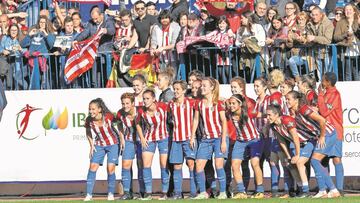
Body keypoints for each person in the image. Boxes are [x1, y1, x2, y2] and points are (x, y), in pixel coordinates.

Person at [286, 91, 341, 198]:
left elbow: (322, 120)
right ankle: (322, 191)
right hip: (315, 137)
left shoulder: (303, 109)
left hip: (328, 134)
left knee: (315, 161)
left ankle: (333, 190)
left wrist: (322, 136)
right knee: (301, 161)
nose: (286, 101)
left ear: (296, 100)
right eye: (286, 99)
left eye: (288, 99)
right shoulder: (296, 111)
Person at [190, 77, 228, 199]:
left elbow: (224, 122)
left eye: (204, 85)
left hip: (218, 138)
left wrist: (223, 141)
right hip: (205, 139)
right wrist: (192, 136)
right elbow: (196, 120)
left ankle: (222, 192)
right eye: (202, 86)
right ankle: (203, 192)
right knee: (199, 165)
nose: (202, 88)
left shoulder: (218, 103)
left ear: (212, 87)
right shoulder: (199, 103)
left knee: (219, 165)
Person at [266, 104, 313, 198]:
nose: (267, 117)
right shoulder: (273, 125)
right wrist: (288, 155)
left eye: (269, 115)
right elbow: (281, 140)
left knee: (300, 162)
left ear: (276, 114)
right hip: (299, 145)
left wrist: (297, 154)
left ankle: (307, 191)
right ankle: (301, 189)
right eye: (266, 115)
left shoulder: (286, 120)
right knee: (290, 165)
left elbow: (295, 138)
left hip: (308, 142)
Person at [228, 94, 264, 199]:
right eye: (230, 103)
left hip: (254, 140)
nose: (231, 105)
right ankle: (241, 191)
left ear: (240, 104)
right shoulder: (229, 113)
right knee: (234, 165)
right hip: (240, 141)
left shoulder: (249, 112)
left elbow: (264, 115)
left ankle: (260, 191)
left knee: (255, 163)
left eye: (233, 103)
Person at [136, 89, 170, 200]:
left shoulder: (163, 106)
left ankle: (164, 193)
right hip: (149, 138)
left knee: (163, 164)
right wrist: (142, 137)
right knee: (146, 165)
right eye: (144, 99)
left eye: (147, 98)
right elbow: (137, 124)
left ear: (154, 99)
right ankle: (148, 193)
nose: (145, 101)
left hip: (163, 138)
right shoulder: (141, 111)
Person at [84, 98, 120, 201]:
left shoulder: (108, 117)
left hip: (113, 144)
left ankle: (110, 194)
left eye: (93, 109)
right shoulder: (89, 120)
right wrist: (91, 146)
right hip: (99, 145)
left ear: (99, 109)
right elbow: (88, 132)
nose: (91, 111)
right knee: (92, 167)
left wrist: (121, 139)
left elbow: (120, 123)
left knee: (110, 169)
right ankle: (89, 195)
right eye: (90, 109)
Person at [168, 80, 197, 199]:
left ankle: (194, 192)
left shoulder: (191, 103)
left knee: (191, 164)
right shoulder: (170, 104)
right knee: (177, 166)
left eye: (178, 89)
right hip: (176, 139)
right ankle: (178, 193)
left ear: (184, 90)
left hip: (188, 138)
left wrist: (192, 136)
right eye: (174, 89)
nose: (175, 91)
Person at [317, 72, 344, 194]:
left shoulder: (335, 95)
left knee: (336, 159)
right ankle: (329, 188)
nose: (321, 82)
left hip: (335, 130)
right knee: (324, 160)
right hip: (326, 130)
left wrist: (320, 95)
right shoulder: (326, 93)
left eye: (323, 80)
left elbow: (324, 112)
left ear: (328, 82)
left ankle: (339, 188)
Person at [116, 93, 137, 200]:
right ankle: (127, 192)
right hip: (129, 140)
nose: (125, 106)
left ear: (133, 103)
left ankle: (144, 193)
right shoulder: (120, 113)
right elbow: (119, 124)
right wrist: (122, 138)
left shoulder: (140, 111)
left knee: (142, 166)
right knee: (126, 164)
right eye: (123, 103)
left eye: (127, 103)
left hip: (142, 141)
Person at [305, 6, 334, 79]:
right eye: (313, 15)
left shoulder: (328, 23)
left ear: (321, 14)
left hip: (326, 53)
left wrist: (314, 38)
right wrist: (304, 39)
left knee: (326, 76)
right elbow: (309, 38)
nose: (314, 17)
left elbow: (327, 40)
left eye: (316, 15)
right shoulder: (309, 24)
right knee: (319, 76)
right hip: (315, 53)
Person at [333, 3, 360, 81]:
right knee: (347, 74)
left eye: (350, 9)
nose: (348, 11)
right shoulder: (340, 23)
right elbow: (336, 37)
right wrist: (345, 35)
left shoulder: (357, 20)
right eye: (346, 10)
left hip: (357, 51)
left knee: (357, 74)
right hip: (345, 51)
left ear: (354, 11)